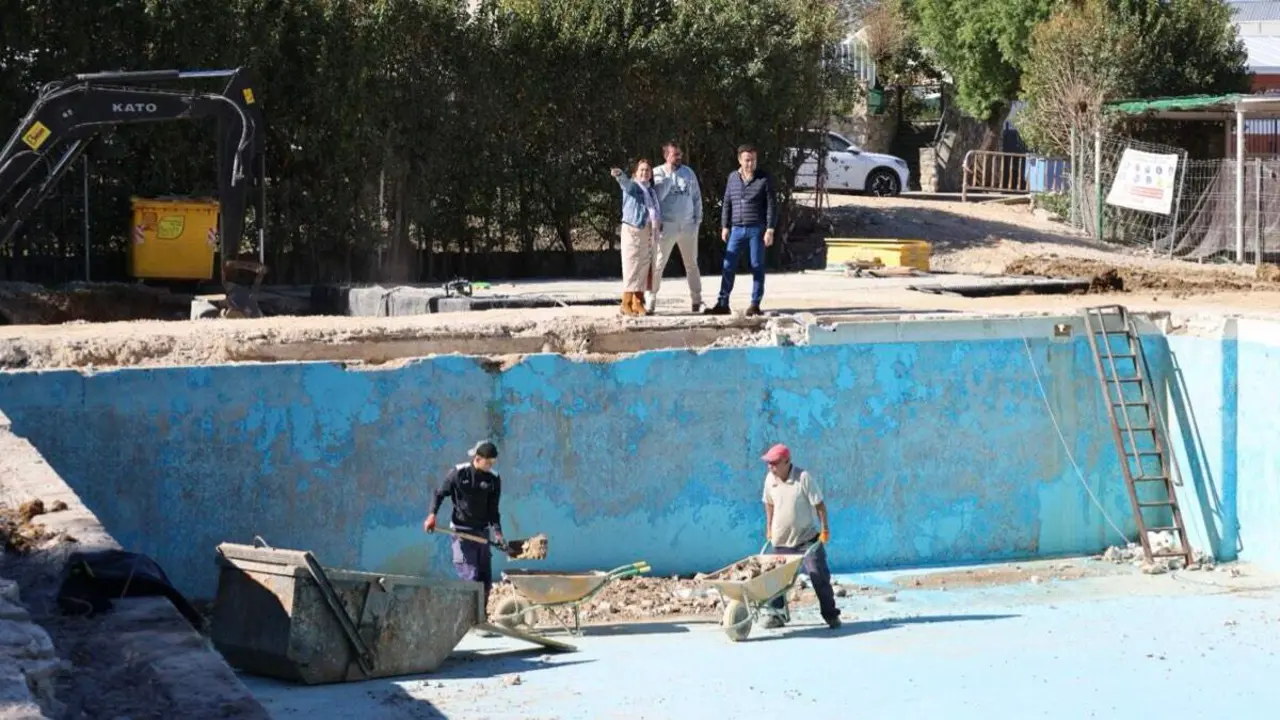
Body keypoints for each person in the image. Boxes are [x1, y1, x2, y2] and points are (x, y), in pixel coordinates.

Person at [759, 443, 841, 630]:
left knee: (818, 574)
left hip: (807, 539)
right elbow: (768, 503)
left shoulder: (803, 478)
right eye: (768, 463)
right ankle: (777, 615)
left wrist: (825, 529)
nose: (770, 467)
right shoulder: (769, 479)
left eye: (774, 463)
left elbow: (819, 505)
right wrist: (769, 527)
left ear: (786, 462)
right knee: (775, 579)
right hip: (781, 540)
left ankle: (830, 615)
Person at [424, 440, 504, 613]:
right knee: (471, 578)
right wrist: (432, 515)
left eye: (493, 462)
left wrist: (498, 534)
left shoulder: (494, 479)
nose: (491, 465)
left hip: (482, 534)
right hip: (462, 533)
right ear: (478, 458)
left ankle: (480, 617)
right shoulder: (458, 473)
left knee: (485, 581)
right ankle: (469, 617)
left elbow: (493, 511)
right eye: (488, 462)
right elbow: (439, 494)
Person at [706, 144, 776, 317]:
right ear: (740, 160)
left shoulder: (764, 178)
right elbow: (727, 203)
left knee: (757, 265)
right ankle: (723, 303)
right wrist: (724, 226)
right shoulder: (732, 178)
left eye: (753, 160)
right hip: (736, 229)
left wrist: (770, 229)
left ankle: (755, 304)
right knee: (728, 265)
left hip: (756, 229)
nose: (750, 164)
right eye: (747, 160)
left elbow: (771, 206)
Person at [650, 141, 704, 313]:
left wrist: (698, 219)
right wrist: (669, 177)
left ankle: (697, 299)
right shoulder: (657, 173)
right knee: (658, 263)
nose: (679, 157)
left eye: (680, 154)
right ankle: (650, 297)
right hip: (667, 226)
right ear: (666, 156)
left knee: (691, 263)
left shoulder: (688, 173)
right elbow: (657, 196)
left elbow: (696, 196)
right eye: (675, 154)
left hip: (688, 226)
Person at [611, 160, 667, 317]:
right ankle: (626, 302)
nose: (645, 173)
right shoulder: (633, 187)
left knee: (643, 267)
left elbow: (654, 211)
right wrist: (619, 175)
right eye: (641, 170)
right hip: (633, 230)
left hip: (647, 231)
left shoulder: (651, 191)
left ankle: (637, 301)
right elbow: (625, 183)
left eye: (647, 170)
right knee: (631, 266)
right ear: (635, 173)